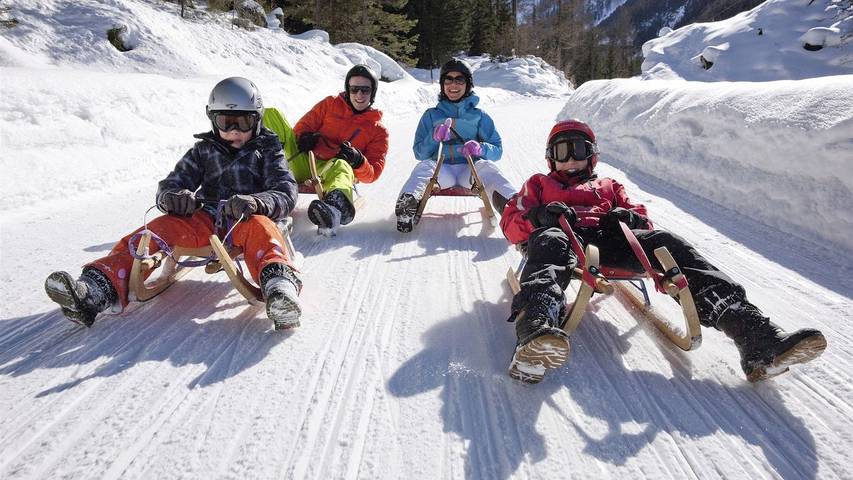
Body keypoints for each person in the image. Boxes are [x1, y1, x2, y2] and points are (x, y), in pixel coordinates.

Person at [500, 119, 827, 383]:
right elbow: (510, 222)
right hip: (563, 236)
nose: (571, 159)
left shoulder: (609, 187)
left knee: (668, 243)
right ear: (550, 157)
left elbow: (643, 220)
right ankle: (536, 329)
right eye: (562, 151)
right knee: (549, 241)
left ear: (593, 155)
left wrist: (628, 217)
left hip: (612, 240)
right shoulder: (539, 184)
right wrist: (538, 215)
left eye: (579, 150)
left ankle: (756, 339)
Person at [44, 77, 303, 330]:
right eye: (225, 122)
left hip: (247, 220)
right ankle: (95, 288)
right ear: (213, 120)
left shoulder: (268, 150)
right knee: (158, 229)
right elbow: (172, 183)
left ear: (257, 120)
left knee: (264, 233)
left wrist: (258, 202)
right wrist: (173, 198)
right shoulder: (203, 150)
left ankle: (279, 289)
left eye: (243, 122)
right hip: (207, 218)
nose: (234, 130)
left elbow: (286, 191)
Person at [264, 64, 389, 235]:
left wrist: (358, 161)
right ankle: (251, 162)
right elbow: (302, 126)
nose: (359, 95)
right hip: (305, 160)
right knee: (271, 114)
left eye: (365, 90)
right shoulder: (330, 104)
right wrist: (304, 137)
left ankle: (334, 210)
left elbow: (373, 173)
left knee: (342, 165)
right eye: (354, 89)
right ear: (348, 89)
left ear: (372, 93)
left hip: (331, 172)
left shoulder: (378, 130)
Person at [395, 58, 516, 232]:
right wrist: (434, 136)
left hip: (471, 170)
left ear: (468, 84)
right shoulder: (431, 115)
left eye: (459, 79)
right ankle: (408, 205)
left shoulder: (479, 116)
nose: (453, 84)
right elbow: (419, 153)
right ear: (442, 84)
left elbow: (497, 151)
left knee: (487, 168)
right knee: (425, 167)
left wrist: (480, 148)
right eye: (448, 79)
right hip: (443, 171)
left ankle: (514, 207)